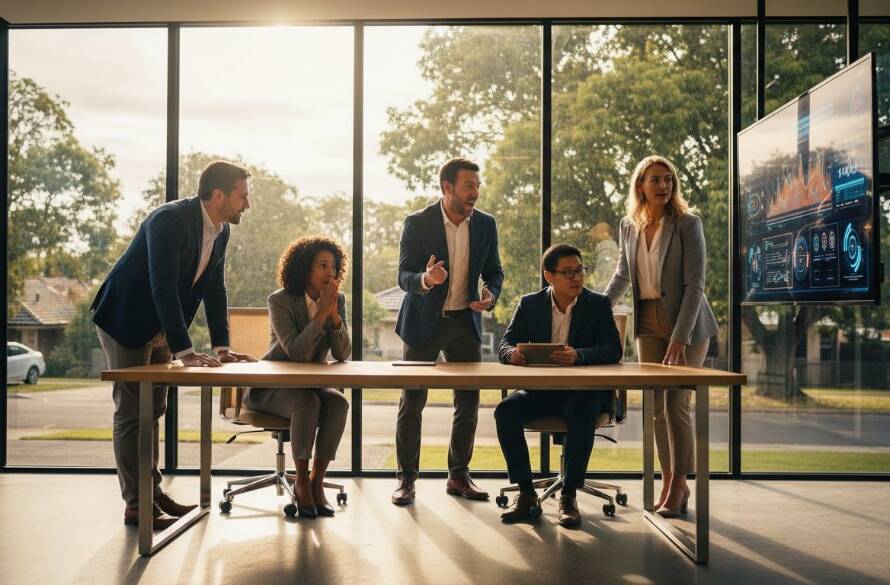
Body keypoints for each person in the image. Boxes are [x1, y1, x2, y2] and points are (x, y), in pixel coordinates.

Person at [91, 160, 257, 530]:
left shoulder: (221, 230)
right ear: (218, 195)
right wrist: (185, 351)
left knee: (154, 409)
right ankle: (137, 504)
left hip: (162, 327)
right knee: (133, 410)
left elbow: (215, 288)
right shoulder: (168, 220)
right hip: (126, 320)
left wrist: (221, 345)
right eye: (242, 197)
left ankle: (152, 491)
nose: (247, 205)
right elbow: (161, 285)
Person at [603, 154, 718, 517]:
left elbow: (695, 284)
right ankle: (668, 480)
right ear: (640, 185)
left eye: (668, 179)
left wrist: (680, 338)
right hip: (648, 322)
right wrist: (596, 307)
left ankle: (681, 484)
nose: (664, 186)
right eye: (655, 179)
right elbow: (623, 275)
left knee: (676, 405)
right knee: (654, 408)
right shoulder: (628, 226)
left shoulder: (687, 223)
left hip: (687, 323)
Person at [391, 157, 505, 506]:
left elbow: (495, 272)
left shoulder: (485, 225)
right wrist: (426, 279)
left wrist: (491, 294)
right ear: (447, 187)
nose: (476, 192)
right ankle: (406, 479)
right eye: (469, 185)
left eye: (478, 185)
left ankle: (458, 476)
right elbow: (403, 276)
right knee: (412, 402)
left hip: (463, 324)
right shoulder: (418, 223)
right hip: (424, 322)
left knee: (468, 403)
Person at [495, 244, 622, 527]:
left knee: (580, 410)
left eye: (580, 270)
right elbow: (504, 343)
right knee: (505, 411)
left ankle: (569, 494)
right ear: (549, 276)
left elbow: (613, 349)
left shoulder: (598, 304)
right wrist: (510, 354)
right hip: (541, 392)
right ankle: (526, 494)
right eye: (568, 272)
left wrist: (580, 356)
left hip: (583, 393)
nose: (577, 277)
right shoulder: (529, 304)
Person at [243, 237, 351, 518]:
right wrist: (321, 316)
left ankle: (317, 481)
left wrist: (335, 317)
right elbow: (296, 352)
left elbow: (342, 354)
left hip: (311, 386)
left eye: (334, 266)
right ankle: (301, 481)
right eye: (322, 266)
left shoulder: (336, 300)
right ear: (305, 269)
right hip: (271, 388)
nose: (330, 272)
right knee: (307, 403)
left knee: (339, 403)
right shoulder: (279, 300)